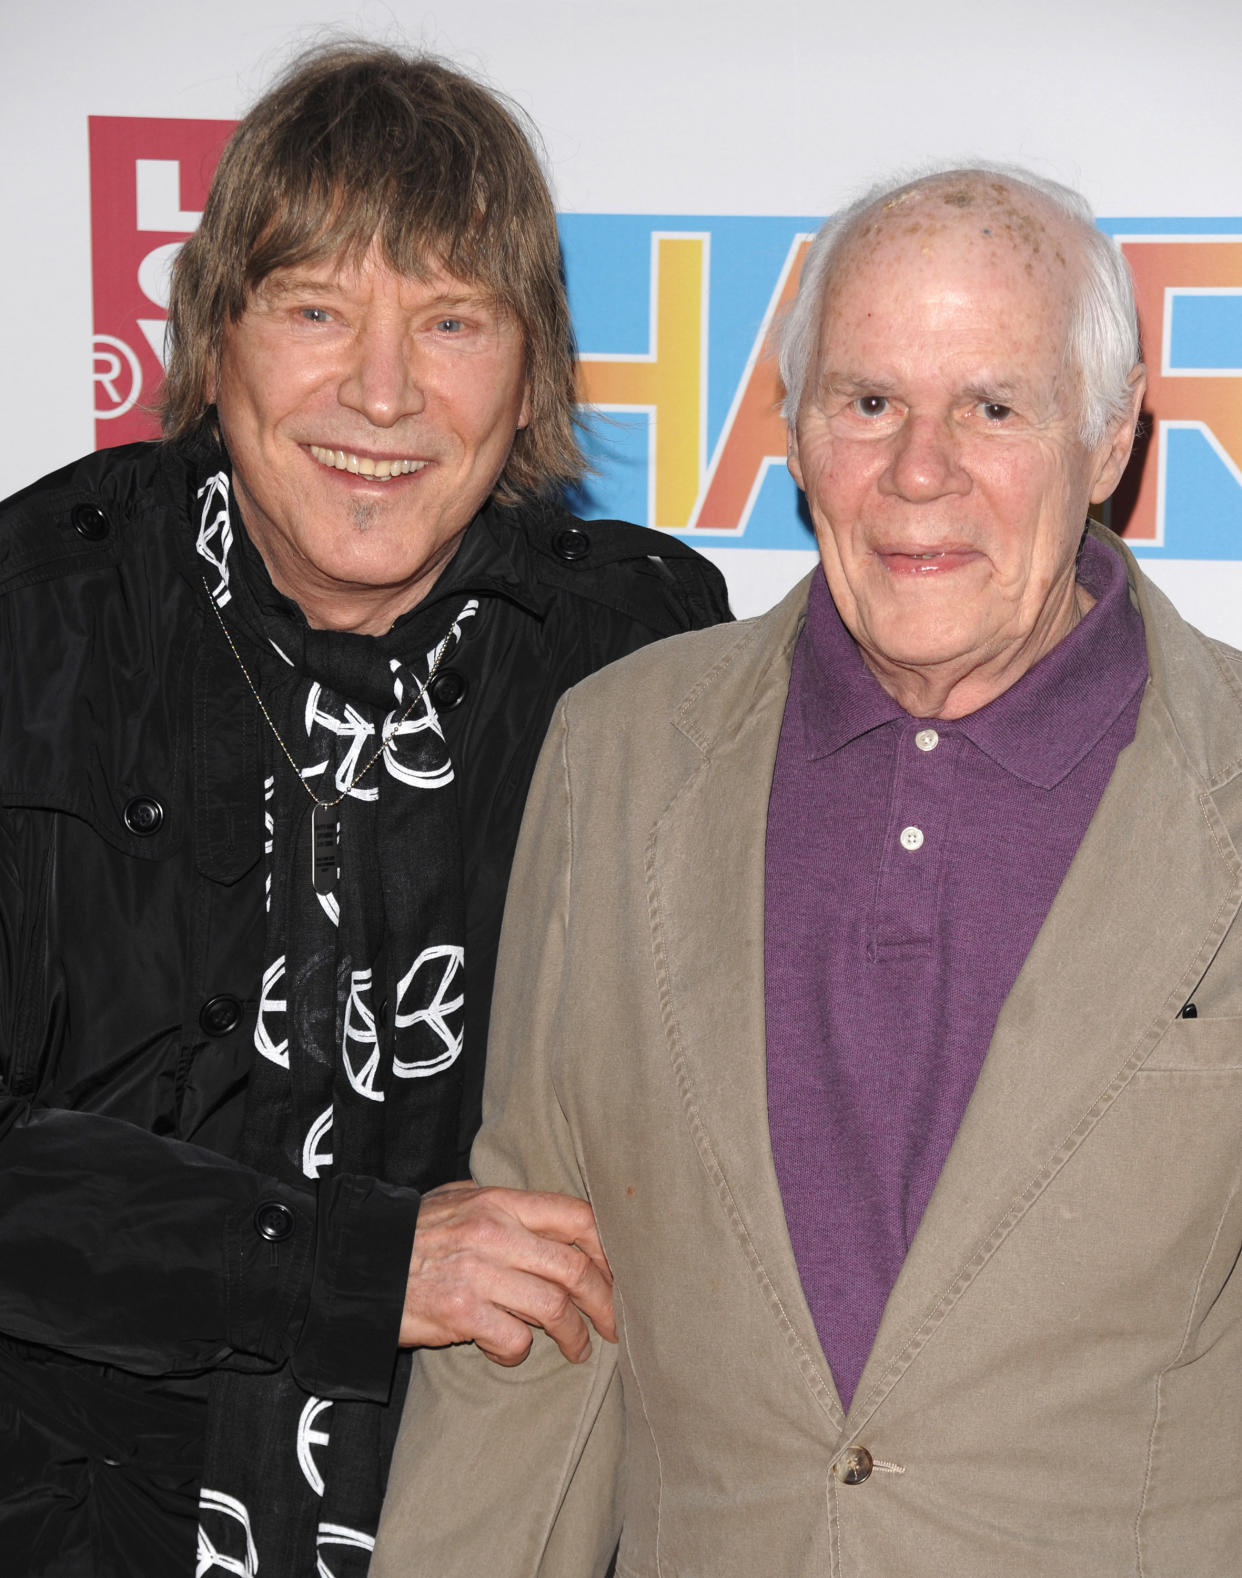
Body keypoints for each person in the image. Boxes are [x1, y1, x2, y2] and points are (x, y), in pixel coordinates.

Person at [373, 164, 1242, 1577]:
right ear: (791, 433)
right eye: (867, 401)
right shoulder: (620, 749)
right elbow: (536, 1314)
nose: (918, 470)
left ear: (1106, 440)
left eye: (994, 407)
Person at [0, 42, 729, 1578]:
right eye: (316, 308)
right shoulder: (32, 619)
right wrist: (356, 1259)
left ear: (526, 373)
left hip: (493, 1511)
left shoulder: (647, 659)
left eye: (451, 321)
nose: (381, 392)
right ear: (214, 339)